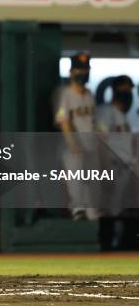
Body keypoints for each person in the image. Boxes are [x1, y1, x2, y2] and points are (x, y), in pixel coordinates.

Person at [54, 52, 99, 221]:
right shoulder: (64, 93)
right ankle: (77, 210)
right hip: (71, 144)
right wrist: (72, 144)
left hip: (89, 143)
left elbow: (93, 122)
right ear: (71, 71)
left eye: (85, 69)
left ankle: (90, 211)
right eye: (79, 69)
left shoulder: (89, 95)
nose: (83, 72)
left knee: (91, 181)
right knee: (75, 179)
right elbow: (62, 120)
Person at [96, 75, 135, 249]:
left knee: (117, 209)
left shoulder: (122, 116)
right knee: (109, 210)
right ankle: (105, 249)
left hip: (124, 168)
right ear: (114, 90)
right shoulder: (105, 111)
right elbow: (99, 141)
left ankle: (114, 247)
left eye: (128, 89)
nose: (126, 93)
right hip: (112, 165)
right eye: (123, 89)